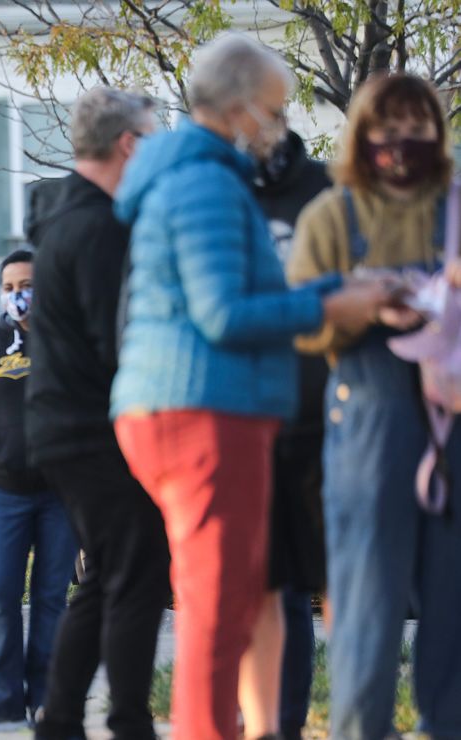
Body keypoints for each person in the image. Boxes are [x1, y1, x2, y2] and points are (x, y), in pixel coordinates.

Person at [109, 34, 390, 740]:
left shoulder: (191, 174)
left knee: (226, 593)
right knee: (218, 599)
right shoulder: (204, 181)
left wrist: (334, 289)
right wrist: (330, 306)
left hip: (195, 405)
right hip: (202, 409)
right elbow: (222, 313)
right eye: (273, 109)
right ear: (236, 107)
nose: (279, 127)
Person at [288, 73, 461, 740]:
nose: (403, 142)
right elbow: (300, 319)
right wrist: (358, 304)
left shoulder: (456, 206)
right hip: (369, 416)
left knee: (452, 597)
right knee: (366, 600)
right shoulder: (334, 215)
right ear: (363, 134)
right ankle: (362, 729)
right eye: (388, 129)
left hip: (451, 421)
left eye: (419, 128)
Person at [22, 86, 170, 740]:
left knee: (109, 573)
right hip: (93, 429)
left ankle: (60, 721)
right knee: (138, 572)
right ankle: (128, 722)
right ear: (129, 144)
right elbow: (122, 342)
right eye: (154, 134)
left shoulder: (65, 216)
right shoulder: (99, 226)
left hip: (63, 427)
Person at [0, 250, 78, 734]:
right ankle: (2, 703)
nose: (16, 294)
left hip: (58, 496)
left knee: (50, 598)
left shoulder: (68, 340)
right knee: (2, 596)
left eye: (25, 284)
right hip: (4, 494)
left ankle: (46, 702)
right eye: (8, 287)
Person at [252, 130, 332, 740]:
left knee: (307, 581)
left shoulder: (322, 190)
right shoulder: (217, 189)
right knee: (256, 587)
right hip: (239, 418)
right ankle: (264, 724)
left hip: (315, 417)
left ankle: (293, 722)